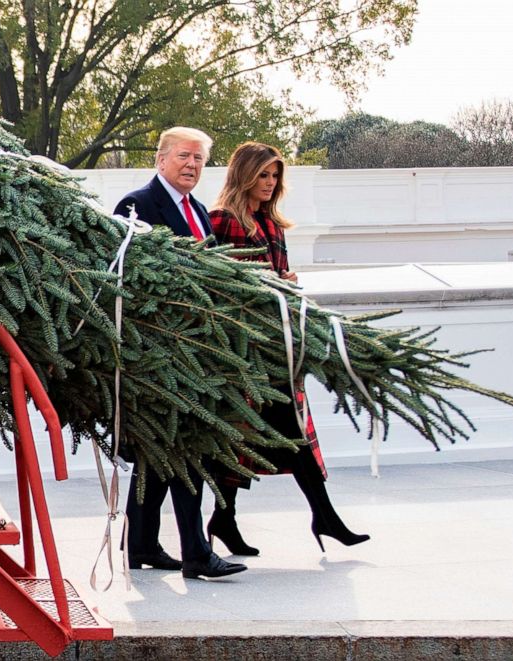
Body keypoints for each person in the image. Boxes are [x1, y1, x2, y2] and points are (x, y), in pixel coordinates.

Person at [207, 141, 370, 555]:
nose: (270, 182)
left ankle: (235, 518)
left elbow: (276, 276)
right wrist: (276, 285)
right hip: (247, 347)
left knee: (283, 431)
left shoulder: (272, 223)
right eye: (262, 174)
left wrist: (287, 282)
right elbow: (223, 284)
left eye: (275, 175)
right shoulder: (224, 220)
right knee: (252, 435)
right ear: (243, 174)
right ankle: (314, 518)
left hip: (278, 345)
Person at [113, 127, 246, 579]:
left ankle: (140, 545)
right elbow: (126, 276)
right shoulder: (137, 205)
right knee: (190, 448)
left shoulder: (201, 214)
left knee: (160, 453)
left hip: (195, 349)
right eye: (185, 156)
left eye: (200, 160)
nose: (192, 165)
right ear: (161, 159)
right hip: (158, 352)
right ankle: (196, 552)